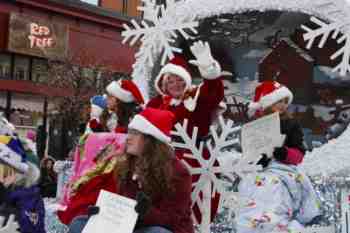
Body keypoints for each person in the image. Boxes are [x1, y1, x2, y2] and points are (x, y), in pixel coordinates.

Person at [58, 108, 194, 233]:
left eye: (135, 133)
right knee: (79, 224)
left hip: (161, 229)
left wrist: (146, 212)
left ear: (151, 139)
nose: (128, 137)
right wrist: (102, 213)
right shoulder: (127, 165)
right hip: (128, 227)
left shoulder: (177, 172)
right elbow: (120, 206)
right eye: (129, 132)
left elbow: (174, 221)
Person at [146, 41, 224, 222]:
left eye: (179, 79)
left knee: (195, 210)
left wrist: (209, 69)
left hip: (195, 161)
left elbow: (213, 92)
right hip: (162, 160)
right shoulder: (156, 104)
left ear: (187, 80)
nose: (175, 84)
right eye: (170, 80)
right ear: (163, 85)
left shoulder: (197, 98)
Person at [236, 81, 321, 233]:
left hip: (283, 167)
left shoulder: (291, 124)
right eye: (278, 101)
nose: (282, 105)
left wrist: (284, 153)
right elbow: (247, 153)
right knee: (255, 186)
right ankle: (255, 223)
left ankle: (276, 222)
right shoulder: (255, 125)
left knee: (274, 186)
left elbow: (299, 154)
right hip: (259, 168)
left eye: (284, 101)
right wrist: (256, 158)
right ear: (267, 104)